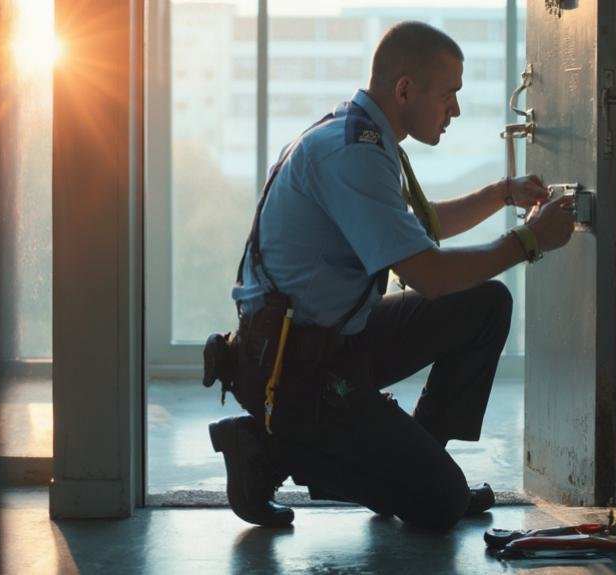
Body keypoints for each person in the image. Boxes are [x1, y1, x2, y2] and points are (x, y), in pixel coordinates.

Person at [206, 21, 576, 530]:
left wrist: (500, 194)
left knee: (486, 305)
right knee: (440, 503)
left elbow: (417, 229)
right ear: (405, 89)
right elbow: (429, 275)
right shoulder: (352, 153)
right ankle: (266, 450)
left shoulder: (362, 134)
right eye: (449, 95)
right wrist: (529, 241)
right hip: (293, 371)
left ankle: (415, 457)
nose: (456, 109)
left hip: (332, 341)